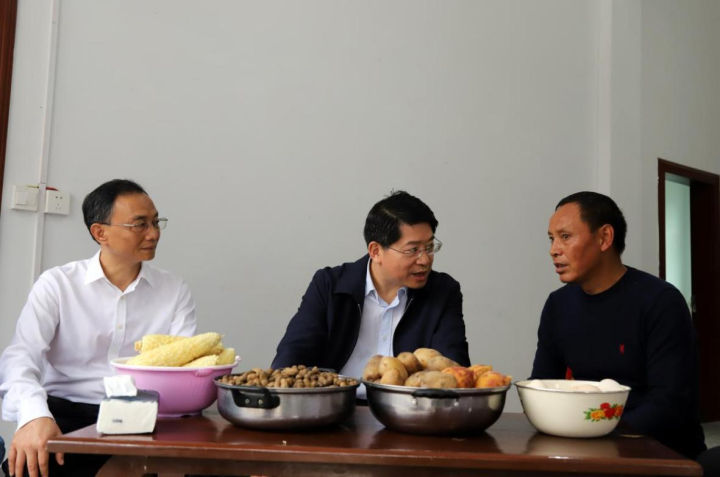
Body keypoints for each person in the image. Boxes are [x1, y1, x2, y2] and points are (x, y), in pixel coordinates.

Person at [0, 179, 196, 477]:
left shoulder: (173, 289)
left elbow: (184, 371)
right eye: (140, 224)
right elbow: (20, 357)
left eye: (156, 222)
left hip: (144, 417)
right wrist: (33, 415)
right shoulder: (58, 284)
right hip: (67, 413)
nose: (154, 233)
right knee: (32, 466)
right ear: (100, 232)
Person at [530, 191, 705, 459]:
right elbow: (541, 386)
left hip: (660, 451)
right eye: (552, 239)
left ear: (604, 238)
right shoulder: (558, 305)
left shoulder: (660, 301)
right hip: (587, 446)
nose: (554, 249)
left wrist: (596, 438)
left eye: (565, 236)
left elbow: (668, 405)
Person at [272, 190, 470, 396]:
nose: (425, 260)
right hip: (336, 407)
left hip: (411, 408)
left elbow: (454, 370)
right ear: (376, 251)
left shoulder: (443, 291)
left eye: (429, 247)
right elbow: (292, 355)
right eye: (412, 250)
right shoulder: (330, 285)